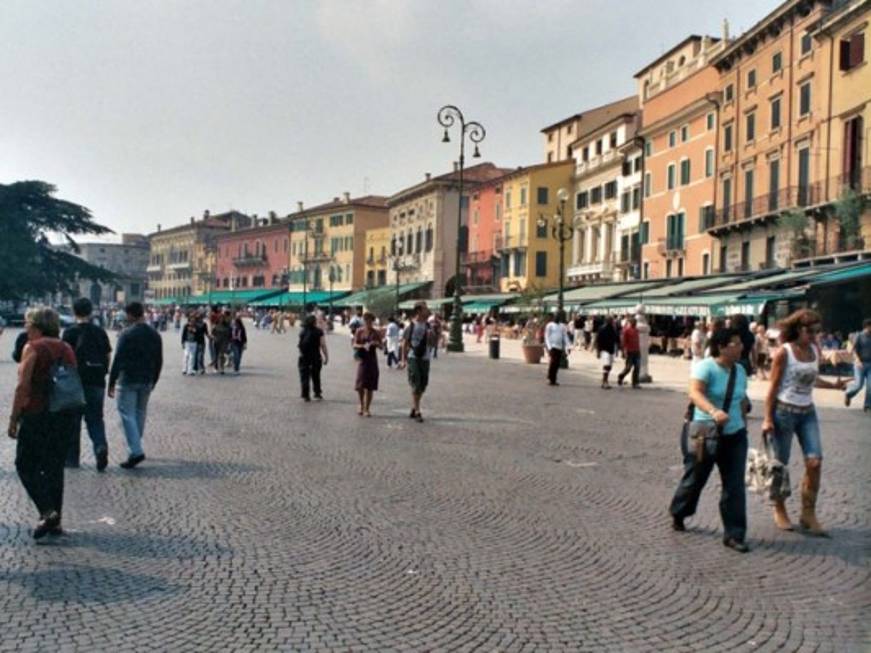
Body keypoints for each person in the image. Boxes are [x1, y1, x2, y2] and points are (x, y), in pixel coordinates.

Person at [764, 309, 848, 535]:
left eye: (817, 331)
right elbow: (772, 387)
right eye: (810, 331)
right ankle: (779, 508)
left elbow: (812, 379)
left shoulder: (813, 350)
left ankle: (808, 513)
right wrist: (767, 418)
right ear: (797, 329)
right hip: (784, 411)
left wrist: (833, 386)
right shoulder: (784, 353)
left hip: (807, 412)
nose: (814, 335)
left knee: (815, 461)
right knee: (780, 464)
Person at [669, 328, 751, 552]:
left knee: (734, 485)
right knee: (695, 478)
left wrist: (745, 421)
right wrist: (714, 412)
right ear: (722, 347)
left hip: (734, 434)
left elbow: (742, 398)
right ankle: (679, 511)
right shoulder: (705, 367)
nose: (741, 346)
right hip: (705, 433)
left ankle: (734, 534)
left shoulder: (741, 371)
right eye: (735, 343)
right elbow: (695, 393)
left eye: (740, 343)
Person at [8, 308, 79, 539]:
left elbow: (23, 386)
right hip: (64, 414)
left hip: (38, 413)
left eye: (28, 324)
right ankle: (55, 521)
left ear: (36, 326)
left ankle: (47, 511)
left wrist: (14, 418)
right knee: (54, 467)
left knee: (25, 465)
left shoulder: (33, 347)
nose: (25, 328)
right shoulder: (66, 347)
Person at [108, 302, 163, 469]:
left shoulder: (126, 334)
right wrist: (154, 379)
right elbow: (159, 359)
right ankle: (135, 447)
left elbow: (118, 359)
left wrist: (111, 381)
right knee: (139, 413)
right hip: (146, 379)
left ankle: (136, 450)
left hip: (128, 379)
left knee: (126, 415)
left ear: (131, 315)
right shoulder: (154, 334)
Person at [61, 298, 112, 471]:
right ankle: (100, 446)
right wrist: (104, 371)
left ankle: (71, 458)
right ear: (91, 312)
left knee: (72, 420)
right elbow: (107, 356)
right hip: (96, 381)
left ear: (74, 312)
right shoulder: (99, 331)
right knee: (96, 418)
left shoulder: (69, 332)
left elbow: (64, 358)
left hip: (75, 381)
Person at [399, 302, 434, 422]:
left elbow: (432, 343)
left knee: (423, 385)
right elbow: (404, 343)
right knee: (416, 383)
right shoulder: (411, 326)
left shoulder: (428, 326)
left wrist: (432, 337)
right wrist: (403, 360)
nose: (427, 310)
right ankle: (418, 410)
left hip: (425, 357)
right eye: (425, 309)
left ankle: (414, 407)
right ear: (419, 311)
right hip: (413, 357)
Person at [353, 312, 382, 416]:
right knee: (360, 385)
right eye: (366, 320)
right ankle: (361, 405)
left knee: (370, 386)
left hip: (372, 360)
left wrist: (376, 343)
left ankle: (367, 408)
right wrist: (361, 346)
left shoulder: (376, 332)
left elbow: (382, 346)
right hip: (362, 360)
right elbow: (354, 344)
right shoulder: (359, 331)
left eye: (370, 320)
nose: (368, 322)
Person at [298, 314, 327, 401]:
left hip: (304, 357)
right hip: (315, 357)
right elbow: (323, 345)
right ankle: (317, 392)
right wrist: (326, 356)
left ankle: (305, 395)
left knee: (304, 376)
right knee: (316, 375)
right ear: (314, 322)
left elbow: (300, 345)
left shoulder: (302, 332)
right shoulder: (319, 331)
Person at [844, 318, 871, 412]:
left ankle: (867, 405)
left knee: (870, 385)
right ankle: (848, 394)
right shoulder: (859, 336)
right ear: (867, 326)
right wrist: (858, 360)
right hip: (859, 364)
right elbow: (853, 350)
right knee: (859, 384)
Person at [544, 311, 571, 386]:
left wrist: (568, 346)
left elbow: (565, 336)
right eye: (556, 316)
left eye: (558, 316)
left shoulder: (562, 326)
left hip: (559, 347)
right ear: (553, 317)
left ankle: (554, 379)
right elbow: (547, 336)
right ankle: (549, 378)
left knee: (556, 364)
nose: (557, 318)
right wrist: (549, 347)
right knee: (552, 362)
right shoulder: (550, 325)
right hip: (552, 346)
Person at [617, 317, 641, 388]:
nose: (634, 324)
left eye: (635, 322)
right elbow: (623, 342)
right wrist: (623, 351)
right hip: (629, 351)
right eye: (633, 322)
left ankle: (635, 382)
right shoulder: (626, 331)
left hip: (637, 351)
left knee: (637, 367)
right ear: (630, 323)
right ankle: (621, 376)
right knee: (628, 368)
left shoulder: (637, 330)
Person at [595, 317, 619, 389]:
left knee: (609, 366)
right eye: (611, 321)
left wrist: (617, 350)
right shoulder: (602, 329)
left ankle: (604, 380)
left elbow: (616, 339)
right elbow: (598, 340)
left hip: (611, 349)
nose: (612, 322)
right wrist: (598, 351)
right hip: (605, 350)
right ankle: (605, 381)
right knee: (607, 365)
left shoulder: (613, 329)